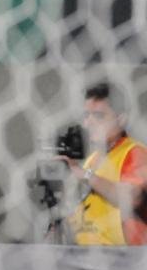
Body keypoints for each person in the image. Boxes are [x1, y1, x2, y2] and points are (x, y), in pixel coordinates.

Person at [63, 83, 147, 246]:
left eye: (99, 116)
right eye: (86, 115)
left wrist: (84, 175)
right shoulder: (93, 159)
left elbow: (131, 198)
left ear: (121, 119)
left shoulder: (135, 153)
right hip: (88, 260)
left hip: (125, 264)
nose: (89, 123)